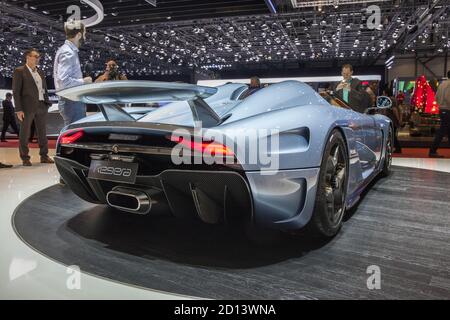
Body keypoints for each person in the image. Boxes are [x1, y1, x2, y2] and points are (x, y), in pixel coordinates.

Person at [12, 48, 54, 166]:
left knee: (42, 132)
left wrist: (47, 102)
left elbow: (43, 89)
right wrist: (18, 109)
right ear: (28, 57)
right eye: (35, 56)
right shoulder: (19, 71)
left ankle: (44, 156)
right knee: (24, 132)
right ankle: (25, 158)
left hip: (42, 105)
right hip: (26, 107)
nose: (37, 59)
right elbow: (16, 91)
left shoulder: (40, 72)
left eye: (38, 57)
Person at [54, 21, 92, 126]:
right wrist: (84, 81)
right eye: (84, 34)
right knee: (74, 134)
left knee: (73, 133)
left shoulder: (67, 50)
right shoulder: (68, 53)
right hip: (71, 101)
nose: (84, 36)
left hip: (70, 101)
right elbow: (64, 81)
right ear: (79, 35)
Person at [429, 71, 450, 158]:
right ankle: (432, 151)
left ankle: (433, 150)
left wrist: (441, 105)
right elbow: (447, 97)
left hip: (442, 110)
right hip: (448, 109)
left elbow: (436, 97)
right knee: (442, 131)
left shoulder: (442, 84)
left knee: (447, 131)